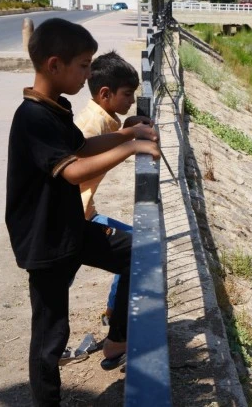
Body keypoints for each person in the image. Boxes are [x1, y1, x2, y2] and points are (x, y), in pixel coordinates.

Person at [5, 18, 160, 406]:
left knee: (139, 252)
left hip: (71, 229)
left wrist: (127, 133)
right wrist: (131, 150)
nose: (88, 74)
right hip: (47, 242)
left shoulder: (56, 108)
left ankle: (118, 338)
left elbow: (82, 147)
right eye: (83, 66)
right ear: (55, 65)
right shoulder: (32, 118)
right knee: (50, 335)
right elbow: (73, 170)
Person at [74, 51, 150, 325]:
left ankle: (113, 313)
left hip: (86, 211)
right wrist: (131, 144)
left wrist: (128, 130)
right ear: (105, 94)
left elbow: (112, 139)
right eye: (127, 95)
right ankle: (118, 323)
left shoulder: (104, 117)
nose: (131, 101)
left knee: (134, 244)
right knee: (56, 288)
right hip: (74, 218)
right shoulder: (93, 126)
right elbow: (83, 163)